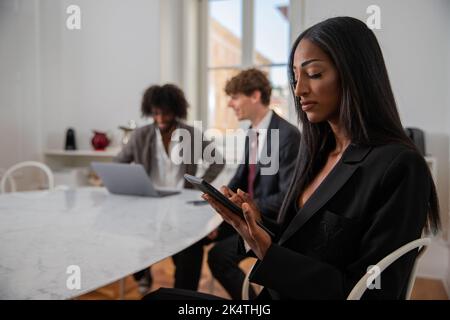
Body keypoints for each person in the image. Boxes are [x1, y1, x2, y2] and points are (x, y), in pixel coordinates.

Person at [145, 16, 441, 300]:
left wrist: (266, 250)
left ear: (356, 74)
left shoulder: (400, 167)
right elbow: (304, 239)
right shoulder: (318, 153)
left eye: (313, 74)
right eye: (295, 77)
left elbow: (369, 293)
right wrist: (254, 227)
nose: (299, 90)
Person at [114, 84, 224, 294]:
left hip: (183, 202)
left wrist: (198, 184)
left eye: (166, 113)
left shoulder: (191, 134)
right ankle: (142, 272)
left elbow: (218, 160)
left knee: (189, 250)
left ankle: (183, 295)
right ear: (150, 111)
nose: (161, 118)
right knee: (129, 238)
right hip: (149, 203)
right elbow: (119, 162)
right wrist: (130, 181)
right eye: (156, 113)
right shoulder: (140, 135)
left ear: (176, 110)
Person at [207, 68, 300, 299]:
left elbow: (286, 198)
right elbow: (240, 176)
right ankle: (182, 293)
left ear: (255, 96)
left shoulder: (288, 135)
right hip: (247, 213)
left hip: (268, 223)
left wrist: (240, 208)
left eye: (235, 97)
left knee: (219, 257)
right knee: (195, 238)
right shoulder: (253, 131)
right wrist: (221, 200)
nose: (230, 104)